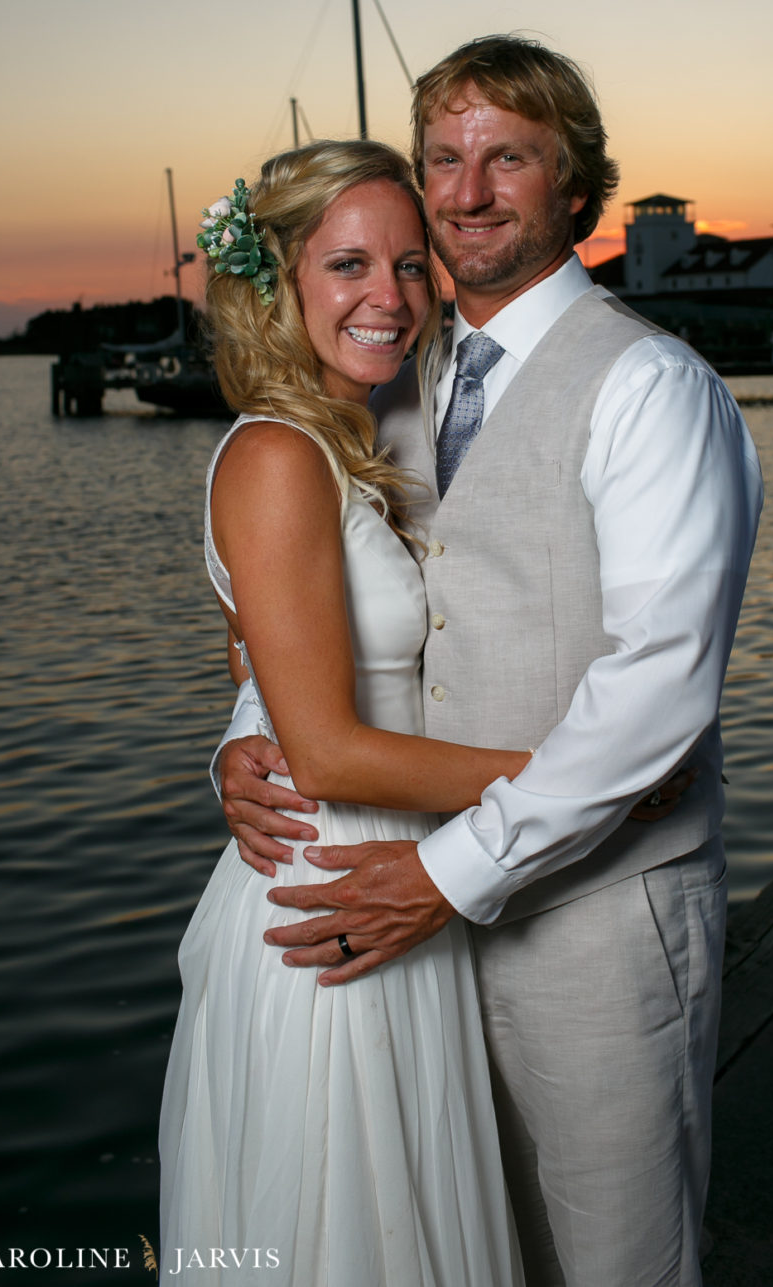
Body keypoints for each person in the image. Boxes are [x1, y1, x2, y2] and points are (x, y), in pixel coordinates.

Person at [217, 37, 764, 1287]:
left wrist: (444, 874)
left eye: (506, 158)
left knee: (613, 1257)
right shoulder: (386, 377)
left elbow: (657, 681)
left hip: (593, 922)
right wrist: (246, 741)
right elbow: (309, 612)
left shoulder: (649, 388)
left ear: (574, 187)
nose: (465, 194)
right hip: (409, 922)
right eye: (442, 160)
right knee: (467, 1252)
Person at [159, 142, 529, 1287]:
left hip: (385, 876)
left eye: (412, 265)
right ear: (278, 284)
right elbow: (320, 750)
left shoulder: (345, 440)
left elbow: (254, 668)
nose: (391, 297)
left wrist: (238, 742)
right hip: (329, 890)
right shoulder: (278, 455)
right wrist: (577, 776)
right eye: (348, 265)